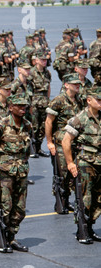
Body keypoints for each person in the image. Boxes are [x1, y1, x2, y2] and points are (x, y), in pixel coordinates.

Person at [0, 93, 32, 253]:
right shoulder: (0, 126)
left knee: (20, 209)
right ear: (11, 108)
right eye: (19, 106)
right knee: (5, 207)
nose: (22, 108)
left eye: (24, 105)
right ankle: (3, 237)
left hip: (22, 172)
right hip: (5, 173)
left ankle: (12, 237)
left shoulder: (27, 125)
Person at [62, 86, 101, 244]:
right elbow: (66, 141)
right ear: (89, 100)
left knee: (98, 199)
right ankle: (82, 230)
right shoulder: (80, 118)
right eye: (98, 100)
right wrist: (70, 162)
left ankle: (90, 226)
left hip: (99, 162)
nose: (100, 102)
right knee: (85, 198)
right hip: (86, 163)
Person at [45, 73, 84, 213]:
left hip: (76, 143)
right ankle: (61, 202)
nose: (77, 86)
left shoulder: (80, 101)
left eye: (78, 84)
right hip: (61, 142)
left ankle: (70, 200)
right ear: (66, 85)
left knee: (75, 173)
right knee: (62, 174)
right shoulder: (58, 100)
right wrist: (49, 142)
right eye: (74, 84)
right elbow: (49, 122)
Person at [30, 49, 52, 157]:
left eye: (45, 60)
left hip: (44, 102)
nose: (44, 62)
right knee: (34, 126)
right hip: (34, 102)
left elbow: (48, 88)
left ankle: (38, 148)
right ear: (37, 60)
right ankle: (32, 149)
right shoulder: (31, 72)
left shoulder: (47, 72)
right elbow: (28, 89)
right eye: (42, 60)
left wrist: (47, 100)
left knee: (43, 127)